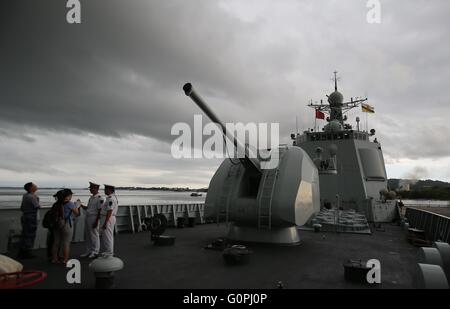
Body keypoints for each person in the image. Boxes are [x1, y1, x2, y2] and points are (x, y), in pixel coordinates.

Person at [51, 189, 80, 264]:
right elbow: (77, 213)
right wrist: (77, 206)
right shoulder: (70, 204)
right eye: (70, 195)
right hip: (67, 224)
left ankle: (54, 259)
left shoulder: (56, 204)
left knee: (56, 242)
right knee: (66, 243)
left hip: (56, 225)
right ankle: (65, 259)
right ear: (67, 196)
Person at [79, 182, 104, 258]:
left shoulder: (100, 198)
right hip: (88, 217)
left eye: (91, 188)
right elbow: (88, 208)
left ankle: (95, 251)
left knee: (94, 235)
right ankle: (89, 251)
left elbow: (100, 210)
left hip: (94, 217)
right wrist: (80, 205)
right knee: (88, 235)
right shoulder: (91, 198)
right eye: (90, 188)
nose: (90, 189)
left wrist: (97, 221)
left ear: (96, 189)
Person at [17, 182, 40, 259]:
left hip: (25, 216)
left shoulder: (25, 195)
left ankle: (22, 252)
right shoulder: (32, 197)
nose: (36, 186)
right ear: (31, 188)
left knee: (25, 234)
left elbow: (22, 208)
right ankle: (26, 252)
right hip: (31, 217)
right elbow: (37, 206)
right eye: (34, 185)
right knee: (30, 235)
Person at [96, 184, 118, 257]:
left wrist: (105, 223)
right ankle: (108, 251)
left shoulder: (110, 198)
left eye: (105, 189)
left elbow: (109, 211)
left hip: (108, 218)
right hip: (109, 218)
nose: (104, 191)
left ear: (109, 190)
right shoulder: (112, 197)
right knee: (108, 235)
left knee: (107, 236)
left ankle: (109, 252)